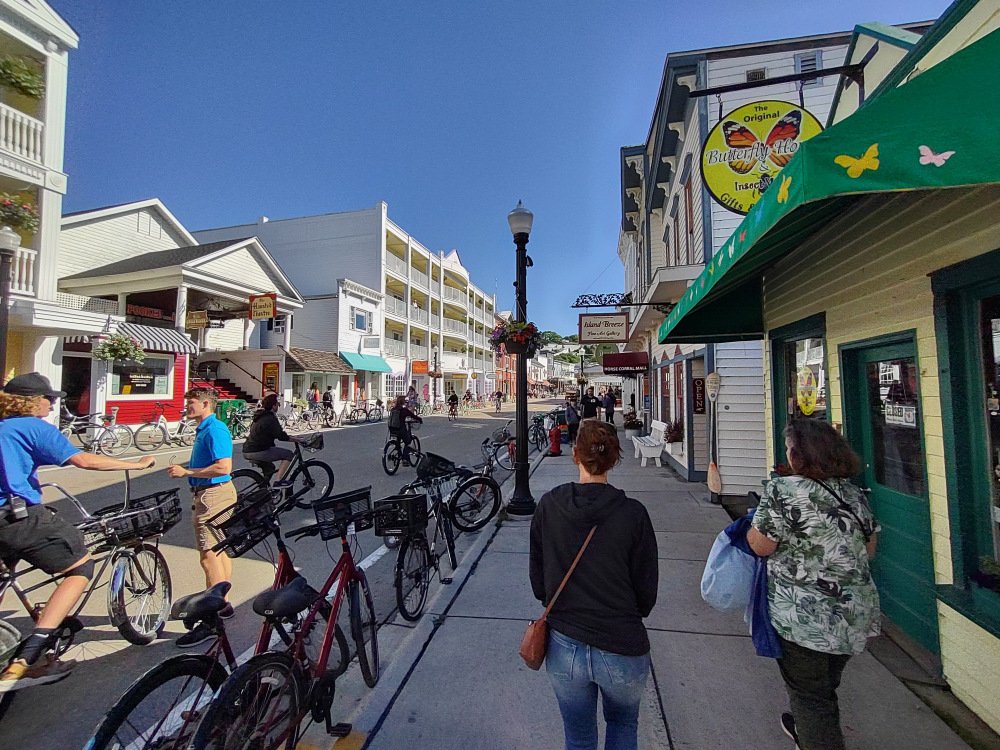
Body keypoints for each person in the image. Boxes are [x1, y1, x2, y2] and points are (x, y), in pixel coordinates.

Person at [0, 373, 155, 692]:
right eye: (49, 398)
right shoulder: (32, 427)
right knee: (80, 566)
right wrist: (136, 465)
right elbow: (82, 460)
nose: (52, 403)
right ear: (33, 401)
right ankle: (27, 658)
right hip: (20, 517)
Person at [747, 419, 880, 750]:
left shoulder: (783, 491)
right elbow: (869, 549)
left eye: (791, 448)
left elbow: (761, 545)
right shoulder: (851, 493)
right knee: (822, 687)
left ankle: (814, 733)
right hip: (853, 613)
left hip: (802, 617)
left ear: (798, 454)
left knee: (811, 697)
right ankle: (810, 727)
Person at [529, 420, 658, 750]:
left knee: (579, 737)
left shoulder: (549, 505)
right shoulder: (634, 514)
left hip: (564, 643)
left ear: (576, 455)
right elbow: (646, 591)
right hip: (622, 643)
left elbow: (538, 581)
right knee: (623, 725)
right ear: (615, 459)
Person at [167, 387, 238, 647]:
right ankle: (223, 603)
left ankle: (212, 615)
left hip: (212, 495)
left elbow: (224, 466)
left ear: (206, 404)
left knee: (208, 554)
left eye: (192, 402)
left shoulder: (214, 429)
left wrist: (187, 472)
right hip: (210, 492)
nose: (187, 407)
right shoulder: (205, 428)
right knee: (219, 550)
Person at [243, 394, 296, 485]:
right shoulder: (270, 418)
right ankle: (278, 481)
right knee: (288, 454)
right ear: (273, 405)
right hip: (258, 450)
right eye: (277, 404)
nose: (278, 406)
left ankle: (263, 491)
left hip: (248, 449)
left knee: (270, 468)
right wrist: (296, 439)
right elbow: (281, 435)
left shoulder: (260, 415)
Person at [388, 395, 422, 464]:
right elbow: (413, 416)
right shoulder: (404, 410)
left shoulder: (393, 409)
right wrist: (420, 419)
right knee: (408, 442)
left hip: (392, 429)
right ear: (403, 402)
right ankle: (404, 459)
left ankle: (399, 454)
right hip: (401, 430)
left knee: (398, 441)